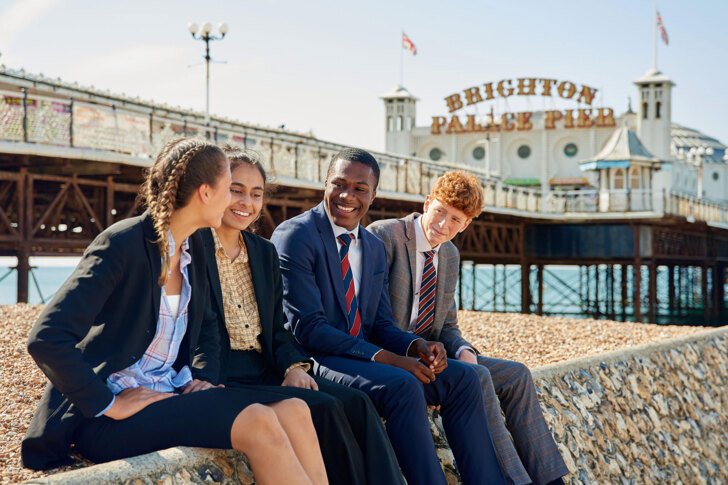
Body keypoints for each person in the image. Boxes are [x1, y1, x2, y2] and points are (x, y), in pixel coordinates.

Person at [21, 138, 328, 485]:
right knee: (257, 421)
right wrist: (111, 402)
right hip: (108, 418)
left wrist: (203, 376)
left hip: (169, 391)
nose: (234, 201)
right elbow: (47, 338)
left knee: (295, 409)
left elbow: (208, 327)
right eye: (230, 189)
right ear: (205, 193)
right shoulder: (123, 244)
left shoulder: (194, 245)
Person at [271, 148, 507, 485]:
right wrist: (390, 359)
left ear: (373, 194)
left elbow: (380, 324)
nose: (346, 196)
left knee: (465, 379)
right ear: (325, 184)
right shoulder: (296, 235)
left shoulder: (371, 245)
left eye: (359, 189)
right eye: (339, 184)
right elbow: (308, 329)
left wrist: (418, 347)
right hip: (318, 359)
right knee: (403, 384)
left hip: (364, 358)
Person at [201, 145, 403, 485]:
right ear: (214, 190)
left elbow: (278, 328)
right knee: (324, 408)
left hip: (265, 365)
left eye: (256, 194)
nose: (245, 203)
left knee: (356, 403)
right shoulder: (195, 249)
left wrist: (293, 367)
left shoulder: (262, 252)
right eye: (236, 190)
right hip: (224, 371)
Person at [368, 170, 570, 485]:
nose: (443, 225)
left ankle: (550, 480)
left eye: (455, 220)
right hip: (396, 358)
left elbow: (447, 326)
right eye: (440, 212)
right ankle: (517, 480)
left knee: (517, 374)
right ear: (426, 202)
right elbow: (370, 320)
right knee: (477, 377)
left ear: (467, 225)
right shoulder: (386, 236)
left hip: (435, 357)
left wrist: (463, 350)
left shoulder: (449, 254)